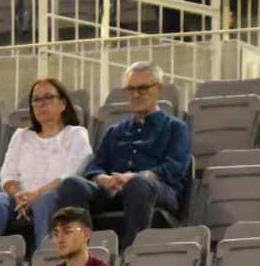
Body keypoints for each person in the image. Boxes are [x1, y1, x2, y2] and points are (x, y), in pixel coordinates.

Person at [51, 60, 191, 250]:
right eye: (130, 89)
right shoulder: (115, 132)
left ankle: (131, 252)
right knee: (72, 184)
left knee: (138, 184)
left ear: (159, 90)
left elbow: (175, 166)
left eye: (142, 89)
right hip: (115, 190)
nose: (135, 95)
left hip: (158, 189)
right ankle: (78, 250)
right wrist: (104, 179)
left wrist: (135, 177)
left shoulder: (175, 128)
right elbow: (95, 166)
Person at [0, 77, 93, 246]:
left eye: (48, 98)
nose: (41, 104)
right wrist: (19, 196)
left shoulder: (76, 134)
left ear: (62, 103)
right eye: (36, 99)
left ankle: (44, 257)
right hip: (20, 200)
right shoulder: (21, 136)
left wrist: (37, 194)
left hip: (53, 198)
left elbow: (71, 174)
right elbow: (8, 174)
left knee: (46, 200)